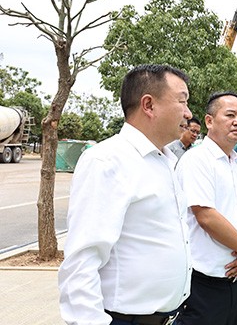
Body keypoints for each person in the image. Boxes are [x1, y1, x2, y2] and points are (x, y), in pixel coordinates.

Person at [58, 64, 193, 325]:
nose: (188, 113)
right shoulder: (108, 160)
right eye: (182, 101)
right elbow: (82, 260)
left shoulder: (167, 161)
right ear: (149, 105)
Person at [176, 92, 237, 325]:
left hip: (236, 280)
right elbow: (206, 216)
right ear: (209, 121)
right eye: (230, 115)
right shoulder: (197, 160)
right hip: (203, 284)